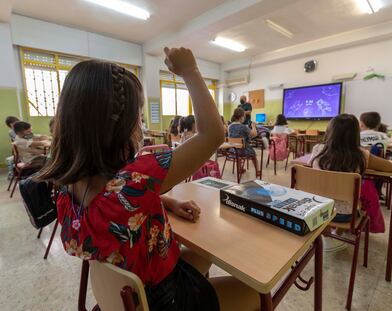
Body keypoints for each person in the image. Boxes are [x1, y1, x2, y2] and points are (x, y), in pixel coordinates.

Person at [37, 48, 258, 311]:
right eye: (138, 117)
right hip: (164, 300)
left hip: (123, 293)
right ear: (117, 126)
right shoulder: (136, 178)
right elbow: (212, 134)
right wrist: (190, 71)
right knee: (255, 292)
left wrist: (164, 200)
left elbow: (113, 205)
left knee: (204, 252)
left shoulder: (64, 184)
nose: (141, 125)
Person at [309, 114, 392, 223]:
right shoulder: (360, 154)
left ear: (329, 131)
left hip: (317, 209)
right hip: (345, 215)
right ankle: (336, 233)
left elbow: (310, 166)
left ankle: (328, 233)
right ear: (356, 134)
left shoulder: (317, 149)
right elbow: (390, 167)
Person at [228, 107, 261, 178]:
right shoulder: (243, 127)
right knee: (253, 154)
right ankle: (257, 171)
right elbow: (254, 134)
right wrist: (254, 126)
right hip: (243, 150)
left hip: (233, 150)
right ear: (241, 117)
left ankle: (240, 169)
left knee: (238, 152)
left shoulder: (229, 126)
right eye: (244, 116)